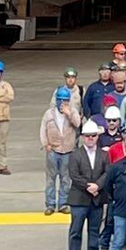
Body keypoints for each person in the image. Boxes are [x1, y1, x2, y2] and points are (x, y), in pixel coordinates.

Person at [67, 119, 110, 250]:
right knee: (75, 231)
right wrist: (88, 186)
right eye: (87, 136)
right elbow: (74, 174)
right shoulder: (75, 155)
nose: (90, 138)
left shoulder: (104, 155)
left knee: (94, 229)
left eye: (93, 135)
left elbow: (107, 172)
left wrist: (98, 185)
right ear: (83, 137)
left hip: (96, 199)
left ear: (97, 136)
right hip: (79, 199)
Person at [42, 86, 79, 214]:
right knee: (50, 179)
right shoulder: (49, 114)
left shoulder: (73, 111)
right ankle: (50, 204)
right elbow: (43, 129)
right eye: (61, 100)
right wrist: (45, 144)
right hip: (53, 150)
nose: (63, 103)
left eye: (65, 100)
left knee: (65, 179)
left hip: (67, 151)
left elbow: (78, 124)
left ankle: (63, 203)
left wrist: (69, 114)